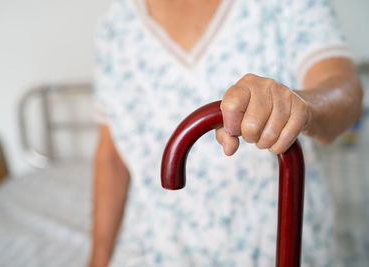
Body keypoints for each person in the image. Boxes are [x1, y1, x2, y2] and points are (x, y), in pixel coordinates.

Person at [90, 0, 363, 266]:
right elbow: (112, 159)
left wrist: (299, 107)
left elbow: (345, 92)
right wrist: (98, 260)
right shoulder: (117, 27)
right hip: (157, 249)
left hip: (278, 245)